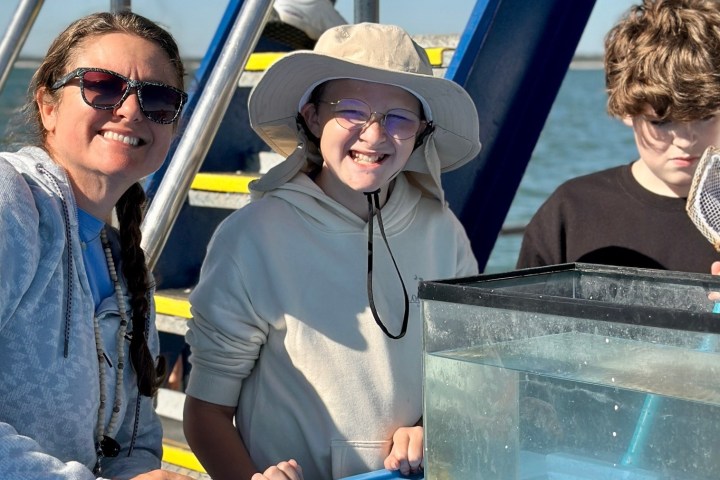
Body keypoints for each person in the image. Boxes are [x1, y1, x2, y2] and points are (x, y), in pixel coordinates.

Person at [0, 11, 297, 480]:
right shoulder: (11, 199)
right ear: (47, 107)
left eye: (157, 99)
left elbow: (132, 447)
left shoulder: (123, 269)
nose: (131, 110)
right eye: (101, 85)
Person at [183, 22, 481, 480]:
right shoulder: (251, 238)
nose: (375, 135)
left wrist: (431, 425)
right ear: (312, 116)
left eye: (399, 118)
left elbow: (465, 373)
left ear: (422, 133)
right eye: (351, 111)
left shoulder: (443, 230)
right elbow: (207, 412)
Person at [516, 0, 720, 273]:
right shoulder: (572, 211)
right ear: (627, 110)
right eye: (661, 121)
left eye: (705, 116)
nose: (685, 140)